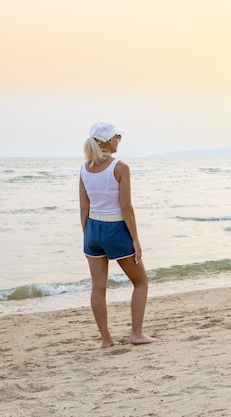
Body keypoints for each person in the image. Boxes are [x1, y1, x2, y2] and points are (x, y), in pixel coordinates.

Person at [79, 121, 158, 347]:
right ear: (107, 141)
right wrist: (135, 239)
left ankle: (106, 339)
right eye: (117, 136)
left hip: (93, 229)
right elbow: (126, 207)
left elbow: (84, 208)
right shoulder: (120, 167)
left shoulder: (85, 168)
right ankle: (137, 334)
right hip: (115, 229)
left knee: (98, 287)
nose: (119, 140)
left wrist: (88, 236)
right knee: (141, 281)